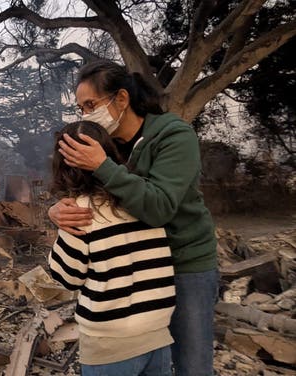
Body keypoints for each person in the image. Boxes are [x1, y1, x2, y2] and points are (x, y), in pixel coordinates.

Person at [49, 60, 218, 376]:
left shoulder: (174, 136)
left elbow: (159, 207)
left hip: (186, 266)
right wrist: (57, 210)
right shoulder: (111, 147)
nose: (86, 115)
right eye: (80, 108)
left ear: (121, 99)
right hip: (143, 276)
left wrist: (103, 166)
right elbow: (97, 196)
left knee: (192, 366)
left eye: (91, 105)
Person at [48, 120, 175, 375]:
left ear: (63, 168)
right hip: (158, 335)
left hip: (110, 346)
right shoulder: (142, 201)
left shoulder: (79, 215)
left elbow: (67, 277)